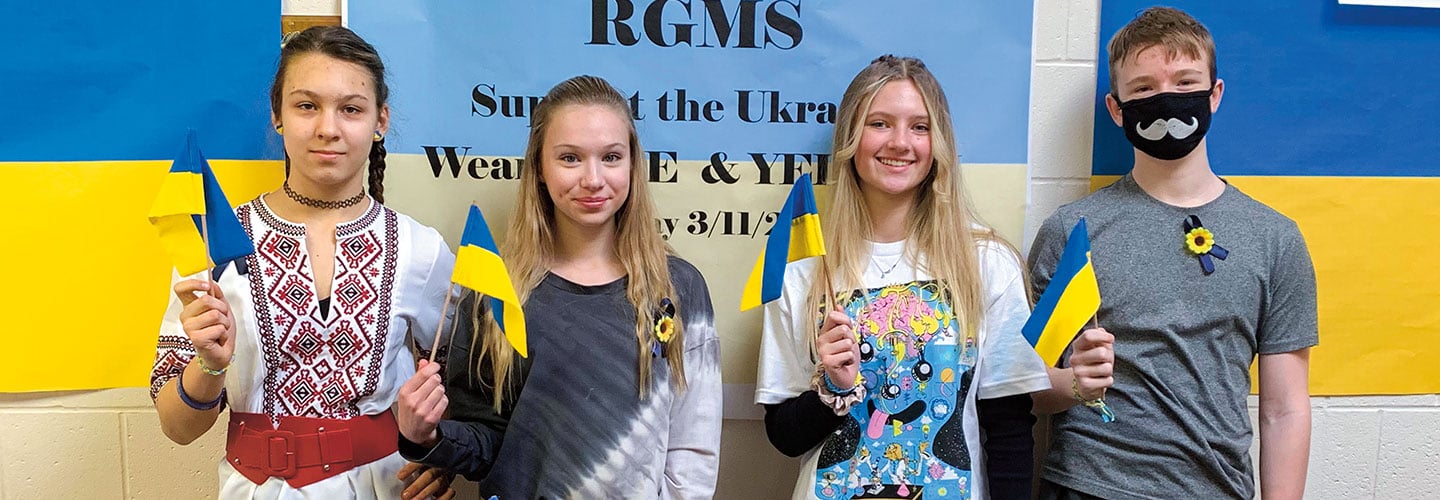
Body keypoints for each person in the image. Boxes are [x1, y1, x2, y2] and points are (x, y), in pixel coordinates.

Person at [148, 26, 457, 498]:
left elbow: (462, 383)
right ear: (278, 115)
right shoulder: (214, 246)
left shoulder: (423, 251)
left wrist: (442, 455)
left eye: (351, 109)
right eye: (306, 105)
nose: (328, 128)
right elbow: (179, 428)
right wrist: (210, 365)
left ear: (381, 121)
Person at [1030, 7, 1317, 499]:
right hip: (1087, 487)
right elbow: (1029, 391)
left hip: (1216, 488)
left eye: (1186, 83)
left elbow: (1285, 408)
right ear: (1117, 109)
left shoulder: (1276, 239)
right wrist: (1075, 382)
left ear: (1215, 95)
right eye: (1143, 88)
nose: (1166, 100)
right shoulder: (1070, 231)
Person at [393, 75, 722, 499]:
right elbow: (484, 440)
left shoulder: (680, 288)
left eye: (611, 157)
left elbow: (694, 450)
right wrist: (424, 436)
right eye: (570, 158)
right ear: (540, 170)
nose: (592, 178)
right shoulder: (497, 289)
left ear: (633, 166)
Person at [754, 55, 1053, 500]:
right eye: (879, 123)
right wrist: (831, 389)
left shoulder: (987, 262)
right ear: (850, 140)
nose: (900, 142)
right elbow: (784, 437)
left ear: (939, 144)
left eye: (919, 126)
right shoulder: (804, 267)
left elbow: (1008, 425)